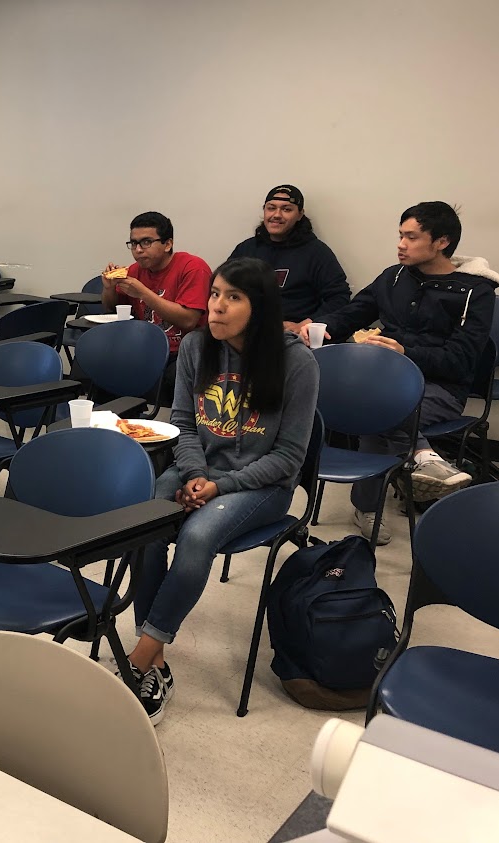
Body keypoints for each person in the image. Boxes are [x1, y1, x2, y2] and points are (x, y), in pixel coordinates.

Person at [128, 257, 320, 724]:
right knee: (140, 523)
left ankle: (139, 658)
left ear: (261, 308)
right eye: (214, 294)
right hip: (201, 469)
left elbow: (289, 458)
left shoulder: (296, 362)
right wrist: (196, 473)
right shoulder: (196, 347)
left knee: (196, 536)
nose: (216, 307)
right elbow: (183, 426)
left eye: (232, 297)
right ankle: (153, 660)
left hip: (264, 483)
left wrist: (218, 487)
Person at [300, 202, 499, 541]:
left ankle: (368, 508)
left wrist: (407, 352)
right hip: (380, 384)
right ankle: (423, 457)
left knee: (373, 416)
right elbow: (354, 313)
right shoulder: (393, 277)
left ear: (441, 242)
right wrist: (320, 325)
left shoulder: (475, 292)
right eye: (400, 235)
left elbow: (461, 360)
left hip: (440, 389)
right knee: (373, 406)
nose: (401, 244)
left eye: (411, 237)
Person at [102, 211, 212, 406]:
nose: (138, 250)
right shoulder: (136, 270)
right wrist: (109, 288)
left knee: (170, 376)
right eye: (133, 243)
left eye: (146, 242)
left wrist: (144, 293)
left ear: (167, 244)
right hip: (146, 347)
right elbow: (113, 307)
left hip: (185, 350)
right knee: (103, 364)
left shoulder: (193, 267)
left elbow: (189, 319)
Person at [229, 184, 351, 332]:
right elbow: (225, 288)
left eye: (286, 209)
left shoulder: (317, 252)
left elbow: (339, 298)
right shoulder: (246, 249)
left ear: (300, 215)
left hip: (293, 338)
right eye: (271, 208)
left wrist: (306, 325)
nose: (277, 215)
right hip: (246, 331)